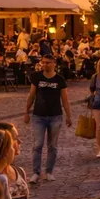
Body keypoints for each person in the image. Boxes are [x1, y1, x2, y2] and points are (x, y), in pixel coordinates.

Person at [24, 54, 72, 183]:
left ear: (54, 63)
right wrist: (26, 112)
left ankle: (49, 171)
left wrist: (68, 115)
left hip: (55, 116)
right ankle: (35, 172)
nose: (45, 65)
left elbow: (65, 99)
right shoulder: (37, 77)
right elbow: (31, 95)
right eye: (43, 62)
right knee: (37, 145)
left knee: (52, 146)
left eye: (48, 63)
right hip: (38, 116)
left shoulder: (60, 79)